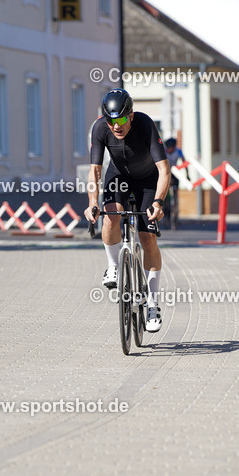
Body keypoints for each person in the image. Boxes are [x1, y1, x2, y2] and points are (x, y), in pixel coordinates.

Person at [85, 89, 170, 333]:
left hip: (147, 181)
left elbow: (164, 170)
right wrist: (92, 202)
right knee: (110, 216)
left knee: (147, 237)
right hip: (119, 176)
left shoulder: (145, 124)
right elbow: (95, 170)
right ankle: (113, 265)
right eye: (111, 121)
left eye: (121, 120)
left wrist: (158, 202)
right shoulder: (100, 128)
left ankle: (153, 305)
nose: (116, 126)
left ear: (131, 116)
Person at [162, 138, 186, 229]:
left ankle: (175, 205)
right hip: (166, 172)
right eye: (168, 148)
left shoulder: (178, 151)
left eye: (171, 148)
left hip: (175, 172)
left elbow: (184, 161)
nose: (169, 150)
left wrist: (187, 175)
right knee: (165, 191)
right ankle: (165, 205)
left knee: (175, 191)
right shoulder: (163, 151)